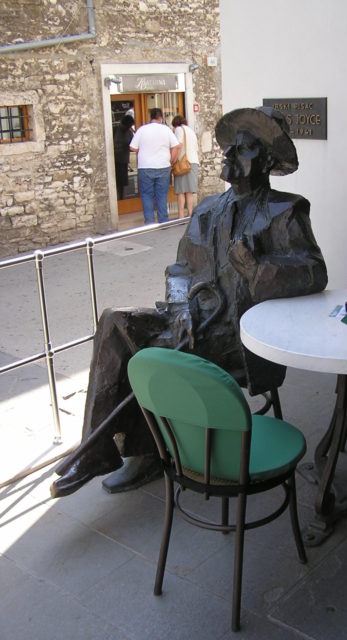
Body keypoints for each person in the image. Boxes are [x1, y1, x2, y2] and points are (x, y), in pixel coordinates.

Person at [50, 106, 328, 498]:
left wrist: (257, 268)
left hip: (242, 335)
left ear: (265, 159)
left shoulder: (286, 210)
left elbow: (315, 272)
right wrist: (181, 310)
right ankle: (96, 451)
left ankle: (150, 451)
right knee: (117, 323)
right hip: (195, 320)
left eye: (244, 149)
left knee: (150, 356)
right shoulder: (207, 209)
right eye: (230, 148)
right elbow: (180, 268)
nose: (230, 156)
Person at [129, 107, 181, 224]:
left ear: (150, 117)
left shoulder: (142, 130)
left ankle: (149, 222)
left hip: (145, 166)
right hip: (163, 166)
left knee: (147, 195)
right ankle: (163, 221)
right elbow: (177, 146)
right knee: (161, 195)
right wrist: (171, 160)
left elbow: (132, 147)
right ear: (161, 117)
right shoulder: (166, 130)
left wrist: (141, 151)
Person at [171, 115, 199, 218]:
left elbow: (178, 146)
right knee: (189, 191)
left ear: (175, 124)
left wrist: (172, 160)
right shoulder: (191, 131)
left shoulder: (179, 129)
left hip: (183, 163)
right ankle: (190, 213)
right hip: (194, 162)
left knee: (181, 191)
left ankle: (181, 215)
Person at [113, 114, 135, 200]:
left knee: (122, 183)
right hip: (114, 161)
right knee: (116, 182)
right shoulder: (114, 129)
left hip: (123, 161)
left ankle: (121, 199)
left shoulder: (129, 132)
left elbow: (133, 145)